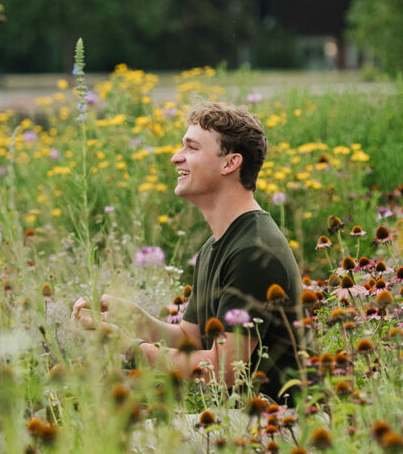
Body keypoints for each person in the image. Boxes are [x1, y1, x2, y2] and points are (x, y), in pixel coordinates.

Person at [72, 101, 303, 402]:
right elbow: (190, 339)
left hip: (280, 423)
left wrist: (131, 348)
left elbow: (226, 369)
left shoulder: (253, 251)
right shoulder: (216, 245)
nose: (175, 157)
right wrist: (133, 318)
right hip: (232, 417)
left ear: (229, 163)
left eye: (191, 148)